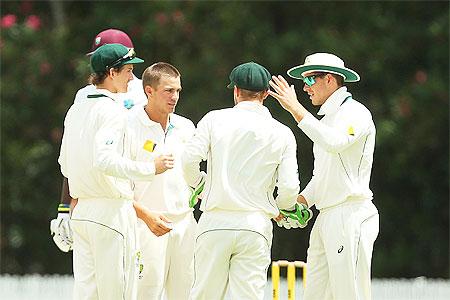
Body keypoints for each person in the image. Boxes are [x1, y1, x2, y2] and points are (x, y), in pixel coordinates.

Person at [58, 44, 173, 300]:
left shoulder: (76, 109)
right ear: (112, 72)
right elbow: (105, 160)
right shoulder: (113, 110)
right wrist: (150, 168)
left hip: (83, 212)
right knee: (118, 293)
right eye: (129, 71)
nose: (132, 78)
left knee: (87, 294)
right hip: (110, 212)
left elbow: (65, 163)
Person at [181, 62, 302, 299]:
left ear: (235, 91)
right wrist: (282, 208)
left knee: (204, 295)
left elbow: (188, 161)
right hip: (255, 226)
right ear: (266, 94)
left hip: (215, 221)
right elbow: (289, 188)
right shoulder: (282, 132)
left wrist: (200, 185)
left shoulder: (214, 119)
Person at [269, 52, 380, 300]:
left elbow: (334, 142)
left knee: (349, 295)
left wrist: (295, 109)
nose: (305, 89)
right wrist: (297, 204)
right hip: (327, 216)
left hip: (351, 213)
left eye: (309, 81)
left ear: (329, 80)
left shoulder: (356, 112)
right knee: (315, 295)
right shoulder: (327, 118)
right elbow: (322, 179)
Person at [50, 28, 148, 253]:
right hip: (102, 196)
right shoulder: (85, 94)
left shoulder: (145, 92)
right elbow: (74, 151)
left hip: (139, 195)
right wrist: (64, 207)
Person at [125, 62, 197, 299]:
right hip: (145, 225)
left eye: (177, 91)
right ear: (149, 91)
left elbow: (195, 176)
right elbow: (117, 184)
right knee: (146, 294)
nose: (174, 97)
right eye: (168, 90)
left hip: (185, 225)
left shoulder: (186, 127)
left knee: (184, 294)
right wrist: (145, 216)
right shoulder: (128, 125)